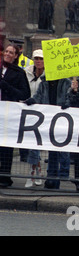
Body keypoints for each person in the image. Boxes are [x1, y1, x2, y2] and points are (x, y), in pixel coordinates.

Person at [24, 70, 71, 190]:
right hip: (49, 120)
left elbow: (70, 97)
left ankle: (60, 176)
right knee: (52, 150)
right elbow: (38, 97)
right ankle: (51, 178)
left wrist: (67, 103)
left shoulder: (66, 82)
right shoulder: (43, 82)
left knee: (62, 149)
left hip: (62, 120)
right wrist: (31, 101)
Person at [0, 44, 31, 188]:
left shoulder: (19, 73)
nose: (7, 54)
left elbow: (24, 94)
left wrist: (5, 86)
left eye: (11, 52)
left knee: (6, 147)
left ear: (16, 56)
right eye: (6, 51)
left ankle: (5, 177)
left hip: (7, 114)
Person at [24, 49, 45, 187]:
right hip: (27, 111)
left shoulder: (49, 75)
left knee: (37, 144)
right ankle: (35, 171)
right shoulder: (26, 72)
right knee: (32, 144)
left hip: (43, 112)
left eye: (41, 58)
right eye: (36, 58)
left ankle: (35, 172)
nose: (38, 61)